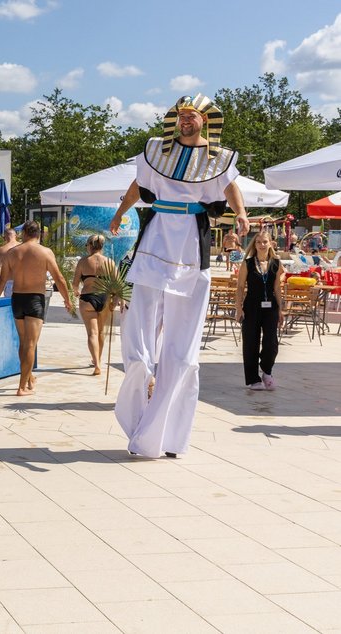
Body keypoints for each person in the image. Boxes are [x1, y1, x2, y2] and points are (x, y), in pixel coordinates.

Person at [109, 93, 250, 459]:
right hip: (155, 239)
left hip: (191, 242)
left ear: (205, 121)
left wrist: (241, 215)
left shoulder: (219, 159)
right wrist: (119, 212)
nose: (186, 120)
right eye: (181, 115)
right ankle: (139, 415)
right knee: (138, 342)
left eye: (192, 115)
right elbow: (139, 188)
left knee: (183, 353)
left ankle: (168, 437)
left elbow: (230, 188)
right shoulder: (157, 150)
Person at [0, 221, 72, 395]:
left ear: (24, 233)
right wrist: (67, 299)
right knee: (31, 344)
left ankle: (28, 378)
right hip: (35, 299)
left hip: (17, 299)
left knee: (24, 341)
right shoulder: (45, 252)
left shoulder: (12, 253)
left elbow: (2, 280)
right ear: (38, 234)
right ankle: (21, 387)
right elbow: (59, 279)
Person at [235, 231, 283, 391]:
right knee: (250, 343)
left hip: (271, 308)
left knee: (271, 343)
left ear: (270, 243)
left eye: (265, 242)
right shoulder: (247, 263)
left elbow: (277, 287)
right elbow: (240, 286)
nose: (262, 245)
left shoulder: (276, 263)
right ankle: (253, 379)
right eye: (258, 242)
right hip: (251, 307)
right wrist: (238, 308)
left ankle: (266, 370)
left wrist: (281, 309)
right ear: (254, 245)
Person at [72, 234, 114, 376]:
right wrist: (115, 301)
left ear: (90, 245)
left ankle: (96, 364)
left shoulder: (83, 262)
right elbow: (116, 285)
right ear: (102, 246)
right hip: (104, 297)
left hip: (87, 298)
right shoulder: (109, 262)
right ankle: (98, 360)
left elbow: (75, 284)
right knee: (101, 333)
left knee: (92, 333)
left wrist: (76, 292)